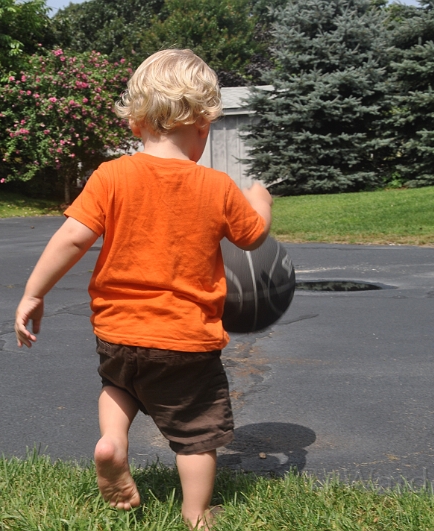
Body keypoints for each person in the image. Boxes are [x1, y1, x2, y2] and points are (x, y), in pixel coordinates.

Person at [14, 48, 273, 529]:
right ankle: (196, 515)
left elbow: (72, 237)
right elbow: (253, 237)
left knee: (119, 386)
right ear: (203, 125)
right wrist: (261, 201)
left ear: (135, 123)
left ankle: (112, 442)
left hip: (117, 332)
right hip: (184, 339)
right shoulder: (217, 187)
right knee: (196, 433)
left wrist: (34, 292)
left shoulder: (110, 175)